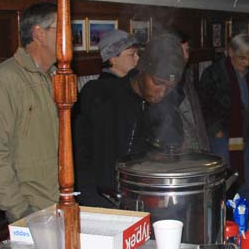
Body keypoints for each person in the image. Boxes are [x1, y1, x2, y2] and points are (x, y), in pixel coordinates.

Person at [75, 31, 185, 208]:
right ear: (141, 69)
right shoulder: (99, 94)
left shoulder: (167, 112)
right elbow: (79, 153)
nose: (162, 92)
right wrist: (91, 200)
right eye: (157, 83)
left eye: (169, 87)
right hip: (99, 202)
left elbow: (171, 159)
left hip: (145, 204)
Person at [0, 3, 59, 222]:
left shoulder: (59, 77)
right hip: (32, 210)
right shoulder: (3, 80)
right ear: (39, 33)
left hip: (61, 201)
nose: (71, 36)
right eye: (62, 28)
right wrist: (20, 210)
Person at [73, 30, 143, 207]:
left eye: (138, 54)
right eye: (131, 55)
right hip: (103, 182)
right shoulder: (97, 90)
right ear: (112, 59)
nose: (137, 59)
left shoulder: (131, 88)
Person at [199, 34, 249, 220]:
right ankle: (224, 224)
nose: (247, 63)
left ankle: (247, 223)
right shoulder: (213, 73)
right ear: (230, 52)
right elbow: (204, 105)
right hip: (223, 137)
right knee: (225, 183)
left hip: (248, 136)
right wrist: (215, 130)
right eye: (242, 57)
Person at [148, 30, 210, 151]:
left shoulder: (185, 77)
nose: (186, 56)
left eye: (187, 50)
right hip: (172, 153)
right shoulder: (156, 82)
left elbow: (195, 117)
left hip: (193, 149)